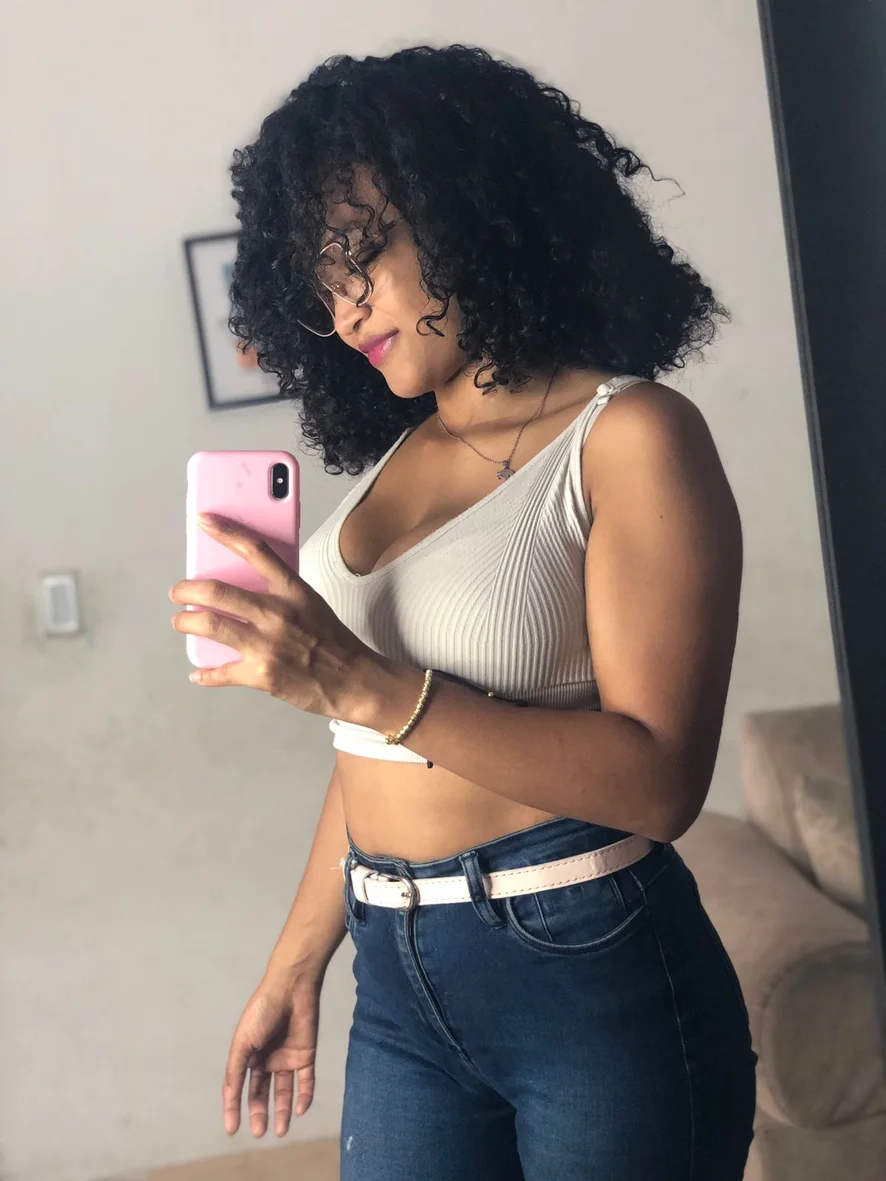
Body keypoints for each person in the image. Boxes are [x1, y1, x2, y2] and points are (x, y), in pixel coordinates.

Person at [169, 43, 755, 1181]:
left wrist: (353, 677)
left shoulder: (630, 435)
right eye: (322, 280)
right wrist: (296, 963)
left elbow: (660, 780)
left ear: (471, 206)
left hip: (586, 962)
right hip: (395, 968)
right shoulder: (396, 458)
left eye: (365, 252)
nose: (346, 307)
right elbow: (372, 746)